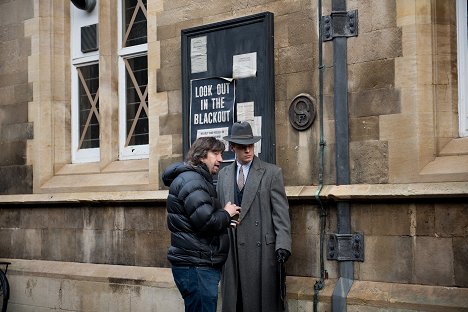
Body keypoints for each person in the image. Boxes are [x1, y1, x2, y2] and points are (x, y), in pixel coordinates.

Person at [217, 121, 292, 312]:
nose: (248, 151)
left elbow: (281, 214)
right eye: (242, 147)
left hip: (261, 252)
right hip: (232, 251)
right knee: (236, 302)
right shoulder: (224, 175)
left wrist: (283, 245)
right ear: (232, 147)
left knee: (260, 304)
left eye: (250, 146)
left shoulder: (272, 173)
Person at [162, 137, 241, 312]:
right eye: (216, 153)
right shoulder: (193, 181)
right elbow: (206, 221)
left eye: (221, 153)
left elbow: (199, 220)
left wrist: (225, 220)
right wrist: (226, 213)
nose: (220, 159)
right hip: (197, 267)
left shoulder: (194, 179)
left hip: (196, 264)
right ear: (201, 156)